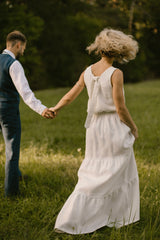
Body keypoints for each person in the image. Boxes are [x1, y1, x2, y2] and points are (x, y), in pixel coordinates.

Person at [50, 28, 140, 234]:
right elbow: (120, 108)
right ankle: (116, 217)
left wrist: (55, 108)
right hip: (112, 126)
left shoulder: (88, 71)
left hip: (93, 128)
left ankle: (101, 217)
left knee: (95, 170)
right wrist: (133, 128)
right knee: (117, 170)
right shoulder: (116, 73)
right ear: (119, 51)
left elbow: (70, 96)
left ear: (100, 49)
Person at [0, 30, 55, 197]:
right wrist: (42, 109)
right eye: (23, 47)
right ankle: (11, 193)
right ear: (18, 45)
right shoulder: (13, 64)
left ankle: (16, 175)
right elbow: (26, 93)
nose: (23, 51)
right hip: (7, 111)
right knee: (11, 149)